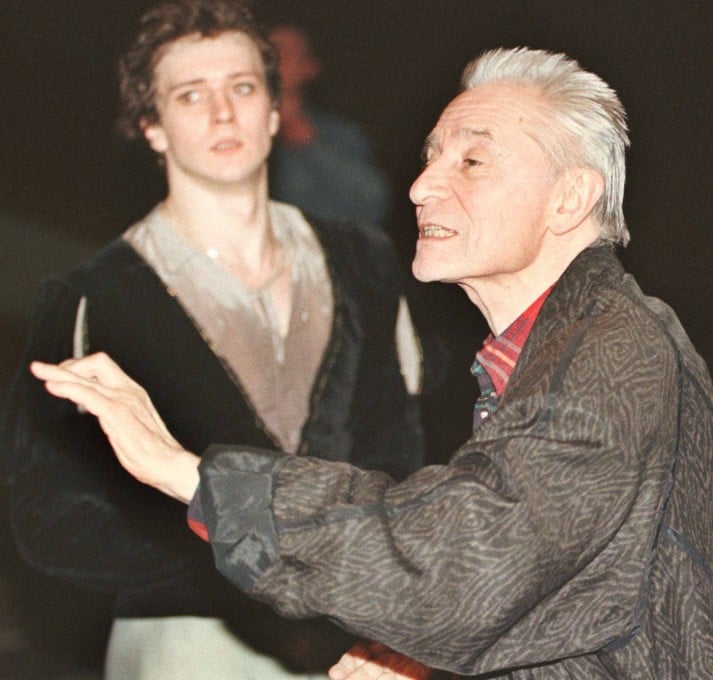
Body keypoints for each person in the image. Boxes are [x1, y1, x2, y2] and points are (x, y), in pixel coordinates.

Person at [29, 46, 713, 679]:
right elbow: (571, 590)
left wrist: (188, 473)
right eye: (430, 160)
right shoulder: (548, 353)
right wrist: (417, 651)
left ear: (569, 197)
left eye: (472, 160)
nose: (422, 186)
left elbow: (464, 559)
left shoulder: (613, 348)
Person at [0, 1, 423, 678]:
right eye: (191, 95)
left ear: (275, 106)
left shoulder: (366, 263)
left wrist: (395, 623)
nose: (223, 113)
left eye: (243, 88)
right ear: (151, 125)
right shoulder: (88, 298)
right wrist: (243, 561)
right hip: (190, 644)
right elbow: (48, 521)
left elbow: (401, 458)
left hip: (357, 647)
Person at [267, 23, 391, 227]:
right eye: (267, 52)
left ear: (309, 67)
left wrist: (309, 145)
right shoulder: (237, 129)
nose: (274, 61)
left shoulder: (337, 132)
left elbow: (374, 200)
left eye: (284, 52)